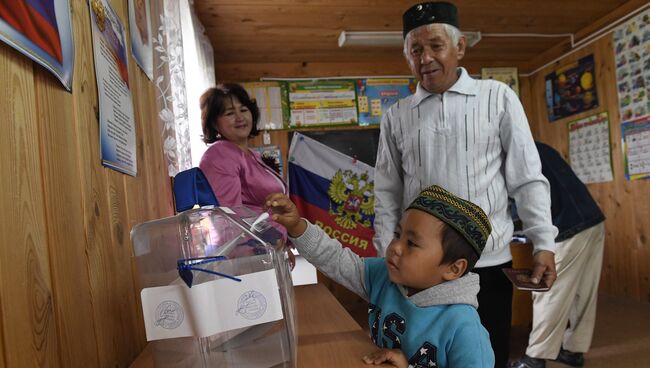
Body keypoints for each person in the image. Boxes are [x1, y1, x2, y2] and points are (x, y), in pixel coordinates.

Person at [372, 2, 559, 366]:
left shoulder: (498, 97)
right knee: (420, 356)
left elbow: (527, 178)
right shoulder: (397, 116)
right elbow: (386, 193)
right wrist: (387, 252)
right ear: (407, 57)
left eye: (436, 46)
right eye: (415, 50)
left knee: (486, 356)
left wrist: (544, 244)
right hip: (423, 270)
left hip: (488, 265)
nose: (425, 57)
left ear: (459, 48)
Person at [266, 185, 495, 368]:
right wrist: (297, 227)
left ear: (453, 269)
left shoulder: (464, 329)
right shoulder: (384, 276)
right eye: (397, 234)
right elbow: (336, 260)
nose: (395, 247)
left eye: (412, 243)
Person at [509, 142, 606, 368]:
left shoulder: (512, 153)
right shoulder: (538, 146)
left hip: (566, 226)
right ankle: (573, 351)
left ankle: (534, 359)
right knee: (583, 292)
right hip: (592, 218)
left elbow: (520, 199)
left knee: (547, 292)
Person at [199, 83, 293, 263]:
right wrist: (272, 239)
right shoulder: (220, 154)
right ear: (214, 123)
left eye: (243, 109)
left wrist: (283, 243)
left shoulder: (251, 155)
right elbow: (227, 214)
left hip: (267, 250)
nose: (240, 117)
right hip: (247, 255)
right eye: (229, 113)